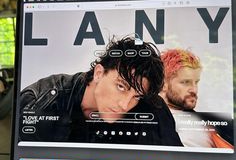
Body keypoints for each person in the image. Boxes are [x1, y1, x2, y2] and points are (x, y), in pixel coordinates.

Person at [20, 37, 182, 146]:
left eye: (136, 97)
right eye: (121, 86)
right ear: (99, 73)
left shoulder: (152, 107)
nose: (125, 105)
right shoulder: (40, 102)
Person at [159, 48, 233, 148]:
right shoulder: (149, 120)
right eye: (185, 82)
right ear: (163, 84)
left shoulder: (210, 123)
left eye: (196, 82)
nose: (194, 90)